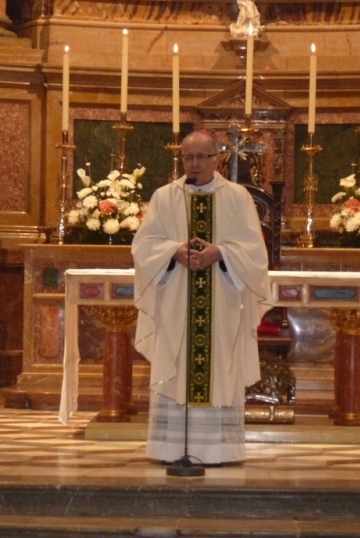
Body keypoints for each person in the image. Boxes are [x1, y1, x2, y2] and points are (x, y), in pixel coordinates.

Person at [131, 130, 272, 466]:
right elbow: (143, 246)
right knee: (176, 364)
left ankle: (217, 450)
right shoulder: (165, 197)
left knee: (219, 367)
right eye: (188, 157)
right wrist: (173, 251)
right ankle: (169, 448)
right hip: (176, 301)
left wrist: (221, 253)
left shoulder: (237, 197)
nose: (193, 164)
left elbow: (255, 253)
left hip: (221, 303)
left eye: (201, 157)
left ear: (216, 159)